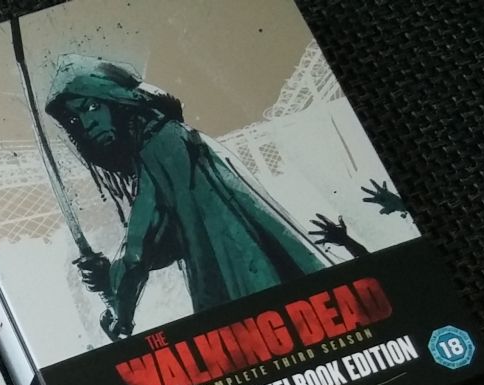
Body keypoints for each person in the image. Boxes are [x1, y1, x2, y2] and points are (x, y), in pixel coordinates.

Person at [43, 56, 327, 340]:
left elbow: (142, 246)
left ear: (118, 101)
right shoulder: (176, 136)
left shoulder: (159, 147)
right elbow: (172, 239)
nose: (87, 123)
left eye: (92, 107)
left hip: (253, 298)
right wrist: (111, 278)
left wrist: (120, 306)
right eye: (76, 118)